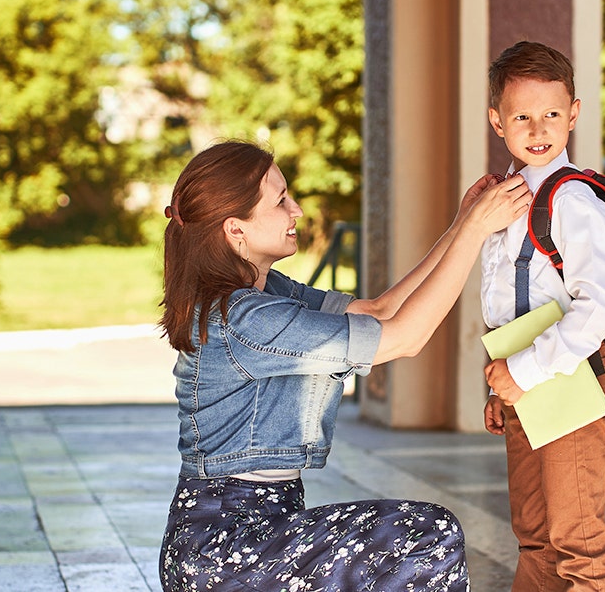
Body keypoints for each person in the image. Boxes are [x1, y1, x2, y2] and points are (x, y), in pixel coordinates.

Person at [156, 140, 530, 592]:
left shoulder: (266, 290)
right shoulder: (243, 318)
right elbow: (404, 338)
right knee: (426, 534)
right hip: (225, 549)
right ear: (236, 229)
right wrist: (475, 231)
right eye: (280, 201)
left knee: (407, 543)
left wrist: (460, 225)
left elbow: (377, 311)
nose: (295, 210)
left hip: (255, 528)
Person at [480, 41, 605, 591]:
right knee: (535, 535)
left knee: (577, 542)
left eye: (552, 114)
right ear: (497, 121)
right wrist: (501, 386)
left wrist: (522, 374)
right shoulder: (506, 200)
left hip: (570, 384)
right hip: (524, 386)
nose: (538, 128)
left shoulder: (573, 201)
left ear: (575, 114)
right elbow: (506, 304)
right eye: (521, 116)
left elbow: (600, 308)